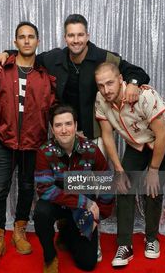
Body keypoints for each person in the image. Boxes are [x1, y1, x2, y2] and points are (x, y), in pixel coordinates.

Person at [0, 14, 150, 145]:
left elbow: (137, 72)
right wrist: (8, 53)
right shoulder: (54, 58)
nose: (76, 40)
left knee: (91, 182)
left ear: (87, 36)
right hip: (63, 134)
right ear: (65, 38)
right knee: (64, 181)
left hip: (95, 134)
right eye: (71, 35)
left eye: (80, 35)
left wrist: (133, 83)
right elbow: (28, 59)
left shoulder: (104, 57)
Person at [0, 21, 56, 267]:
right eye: (21, 37)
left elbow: (54, 108)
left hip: (33, 143)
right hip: (4, 140)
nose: (26, 40)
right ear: (15, 42)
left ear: (37, 41)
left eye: (31, 36)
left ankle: (19, 231)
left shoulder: (46, 75)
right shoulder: (0, 69)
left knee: (26, 188)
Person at [94, 62, 165, 267]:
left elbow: (161, 135)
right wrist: (119, 170)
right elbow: (107, 136)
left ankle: (152, 238)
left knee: (152, 187)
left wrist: (153, 171)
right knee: (124, 187)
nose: (106, 90)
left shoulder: (143, 95)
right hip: (137, 141)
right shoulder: (100, 99)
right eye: (100, 85)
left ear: (120, 80)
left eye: (110, 83)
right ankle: (124, 245)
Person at [33, 104, 114, 273]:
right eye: (58, 125)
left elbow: (106, 180)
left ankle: (67, 231)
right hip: (59, 203)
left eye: (68, 124)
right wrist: (84, 202)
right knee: (41, 211)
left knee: (87, 263)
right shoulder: (44, 152)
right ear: (52, 129)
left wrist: (100, 215)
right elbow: (45, 190)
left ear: (76, 125)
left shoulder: (90, 149)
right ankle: (50, 256)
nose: (64, 130)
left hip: (80, 208)